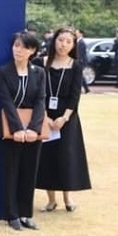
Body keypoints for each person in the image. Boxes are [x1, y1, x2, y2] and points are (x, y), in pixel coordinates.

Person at [36, 27, 91, 212]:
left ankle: (68, 197)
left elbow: (75, 96)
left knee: (67, 156)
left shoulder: (75, 65)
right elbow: (36, 93)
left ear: (73, 45)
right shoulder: (41, 63)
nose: (63, 45)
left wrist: (64, 118)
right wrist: (44, 117)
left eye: (68, 41)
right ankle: (51, 199)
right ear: (54, 41)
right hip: (44, 116)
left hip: (67, 118)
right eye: (61, 40)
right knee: (47, 156)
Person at [0, 31, 47, 231]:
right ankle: (12, 214)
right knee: (11, 171)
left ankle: (26, 213)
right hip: (10, 129)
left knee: (29, 171)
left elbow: (40, 100)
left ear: (32, 51)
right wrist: (18, 128)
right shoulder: (2, 72)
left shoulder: (39, 73)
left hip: (33, 131)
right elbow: (5, 101)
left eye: (24, 47)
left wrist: (34, 128)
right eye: (16, 45)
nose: (18, 50)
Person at [75, 29, 90, 93]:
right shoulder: (78, 41)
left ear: (81, 34)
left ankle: (84, 89)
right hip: (79, 61)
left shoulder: (81, 42)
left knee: (79, 75)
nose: (76, 34)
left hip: (81, 61)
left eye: (77, 33)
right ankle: (86, 89)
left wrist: (78, 61)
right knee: (80, 75)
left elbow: (80, 53)